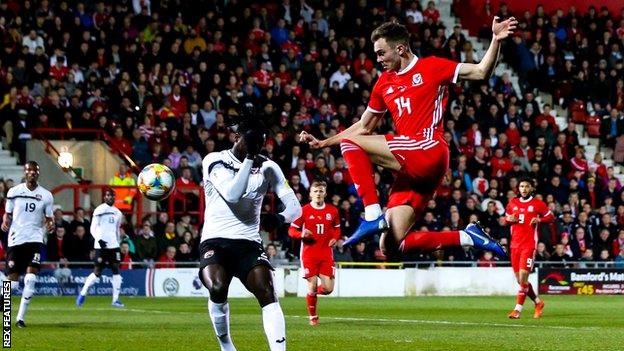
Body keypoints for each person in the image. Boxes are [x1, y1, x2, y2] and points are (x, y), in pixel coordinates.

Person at [300, 18, 517, 257]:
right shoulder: (384, 83)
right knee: (390, 245)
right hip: (412, 167)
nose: (378, 59)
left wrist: (496, 40)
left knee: (351, 144)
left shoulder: (432, 67)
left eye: (382, 53)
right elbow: (365, 125)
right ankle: (467, 236)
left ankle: (372, 215)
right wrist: (324, 142)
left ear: (400, 48)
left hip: (429, 148)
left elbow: (480, 71)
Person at [199, 108, 302, 351]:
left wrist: (279, 218)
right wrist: (248, 160)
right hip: (215, 241)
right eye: (252, 140)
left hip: (248, 242)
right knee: (217, 287)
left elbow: (295, 208)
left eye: (261, 141)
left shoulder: (269, 167)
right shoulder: (215, 160)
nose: (258, 146)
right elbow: (233, 195)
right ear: (237, 138)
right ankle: (226, 345)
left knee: (268, 291)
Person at [1, 161, 54, 328]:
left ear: (38, 173)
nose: (32, 173)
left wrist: (50, 225)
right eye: (29, 170)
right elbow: (7, 214)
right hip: (16, 239)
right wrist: (5, 222)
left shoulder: (46, 195)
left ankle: (20, 319)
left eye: (35, 171)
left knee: (31, 279)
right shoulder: (14, 192)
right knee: (13, 284)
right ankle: (5, 306)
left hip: (35, 239)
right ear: (24, 173)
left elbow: (49, 217)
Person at [288, 180, 340, 326]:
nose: (318, 193)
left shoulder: (332, 211)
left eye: (321, 191)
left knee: (328, 289)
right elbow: (291, 230)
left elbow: (337, 228)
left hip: (325, 254)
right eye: (315, 191)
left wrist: (335, 238)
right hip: (309, 254)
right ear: (310, 193)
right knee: (312, 283)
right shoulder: (303, 210)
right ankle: (313, 317)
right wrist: (301, 234)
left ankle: (312, 294)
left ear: (325, 193)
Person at [503, 178, 554, 319]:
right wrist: (509, 220)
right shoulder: (512, 203)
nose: (524, 189)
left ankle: (517, 310)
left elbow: (551, 217)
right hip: (514, 246)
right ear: (518, 188)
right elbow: (505, 220)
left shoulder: (537, 204)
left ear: (531, 188)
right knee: (520, 281)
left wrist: (539, 219)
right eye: (521, 186)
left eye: (526, 186)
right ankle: (538, 302)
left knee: (524, 278)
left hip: (528, 246)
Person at [76, 188, 125, 307]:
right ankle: (82, 293)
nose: (110, 197)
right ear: (104, 197)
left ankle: (115, 300)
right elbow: (93, 228)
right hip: (100, 246)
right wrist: (99, 240)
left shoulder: (118, 213)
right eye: (108, 195)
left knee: (116, 269)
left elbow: (117, 229)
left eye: (112, 196)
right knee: (97, 271)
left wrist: (118, 242)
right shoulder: (99, 210)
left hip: (114, 246)